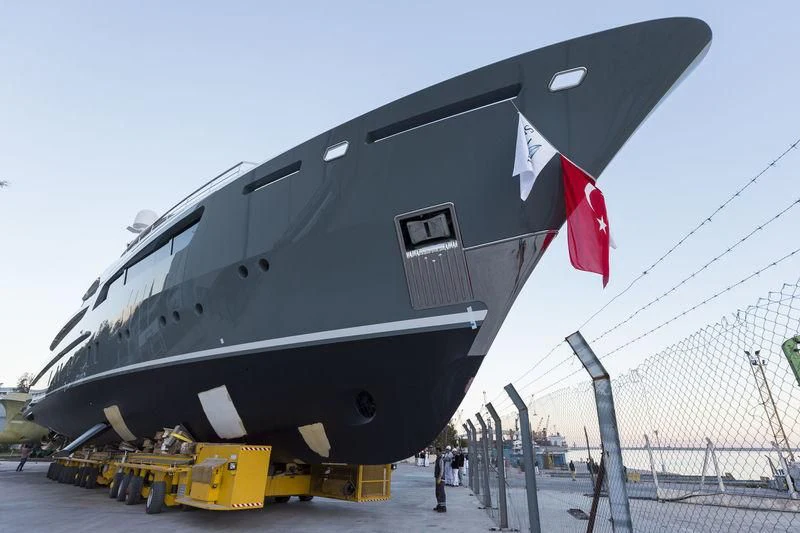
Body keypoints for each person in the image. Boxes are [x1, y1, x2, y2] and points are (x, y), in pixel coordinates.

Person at [433, 447, 446, 512]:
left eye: (437, 451)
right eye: (436, 451)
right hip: (437, 478)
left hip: (440, 479)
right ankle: (439, 505)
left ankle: (443, 507)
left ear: (440, 452)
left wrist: (439, 478)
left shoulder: (441, 459)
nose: (436, 452)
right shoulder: (437, 459)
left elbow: (442, 469)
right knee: (437, 492)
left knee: (441, 493)